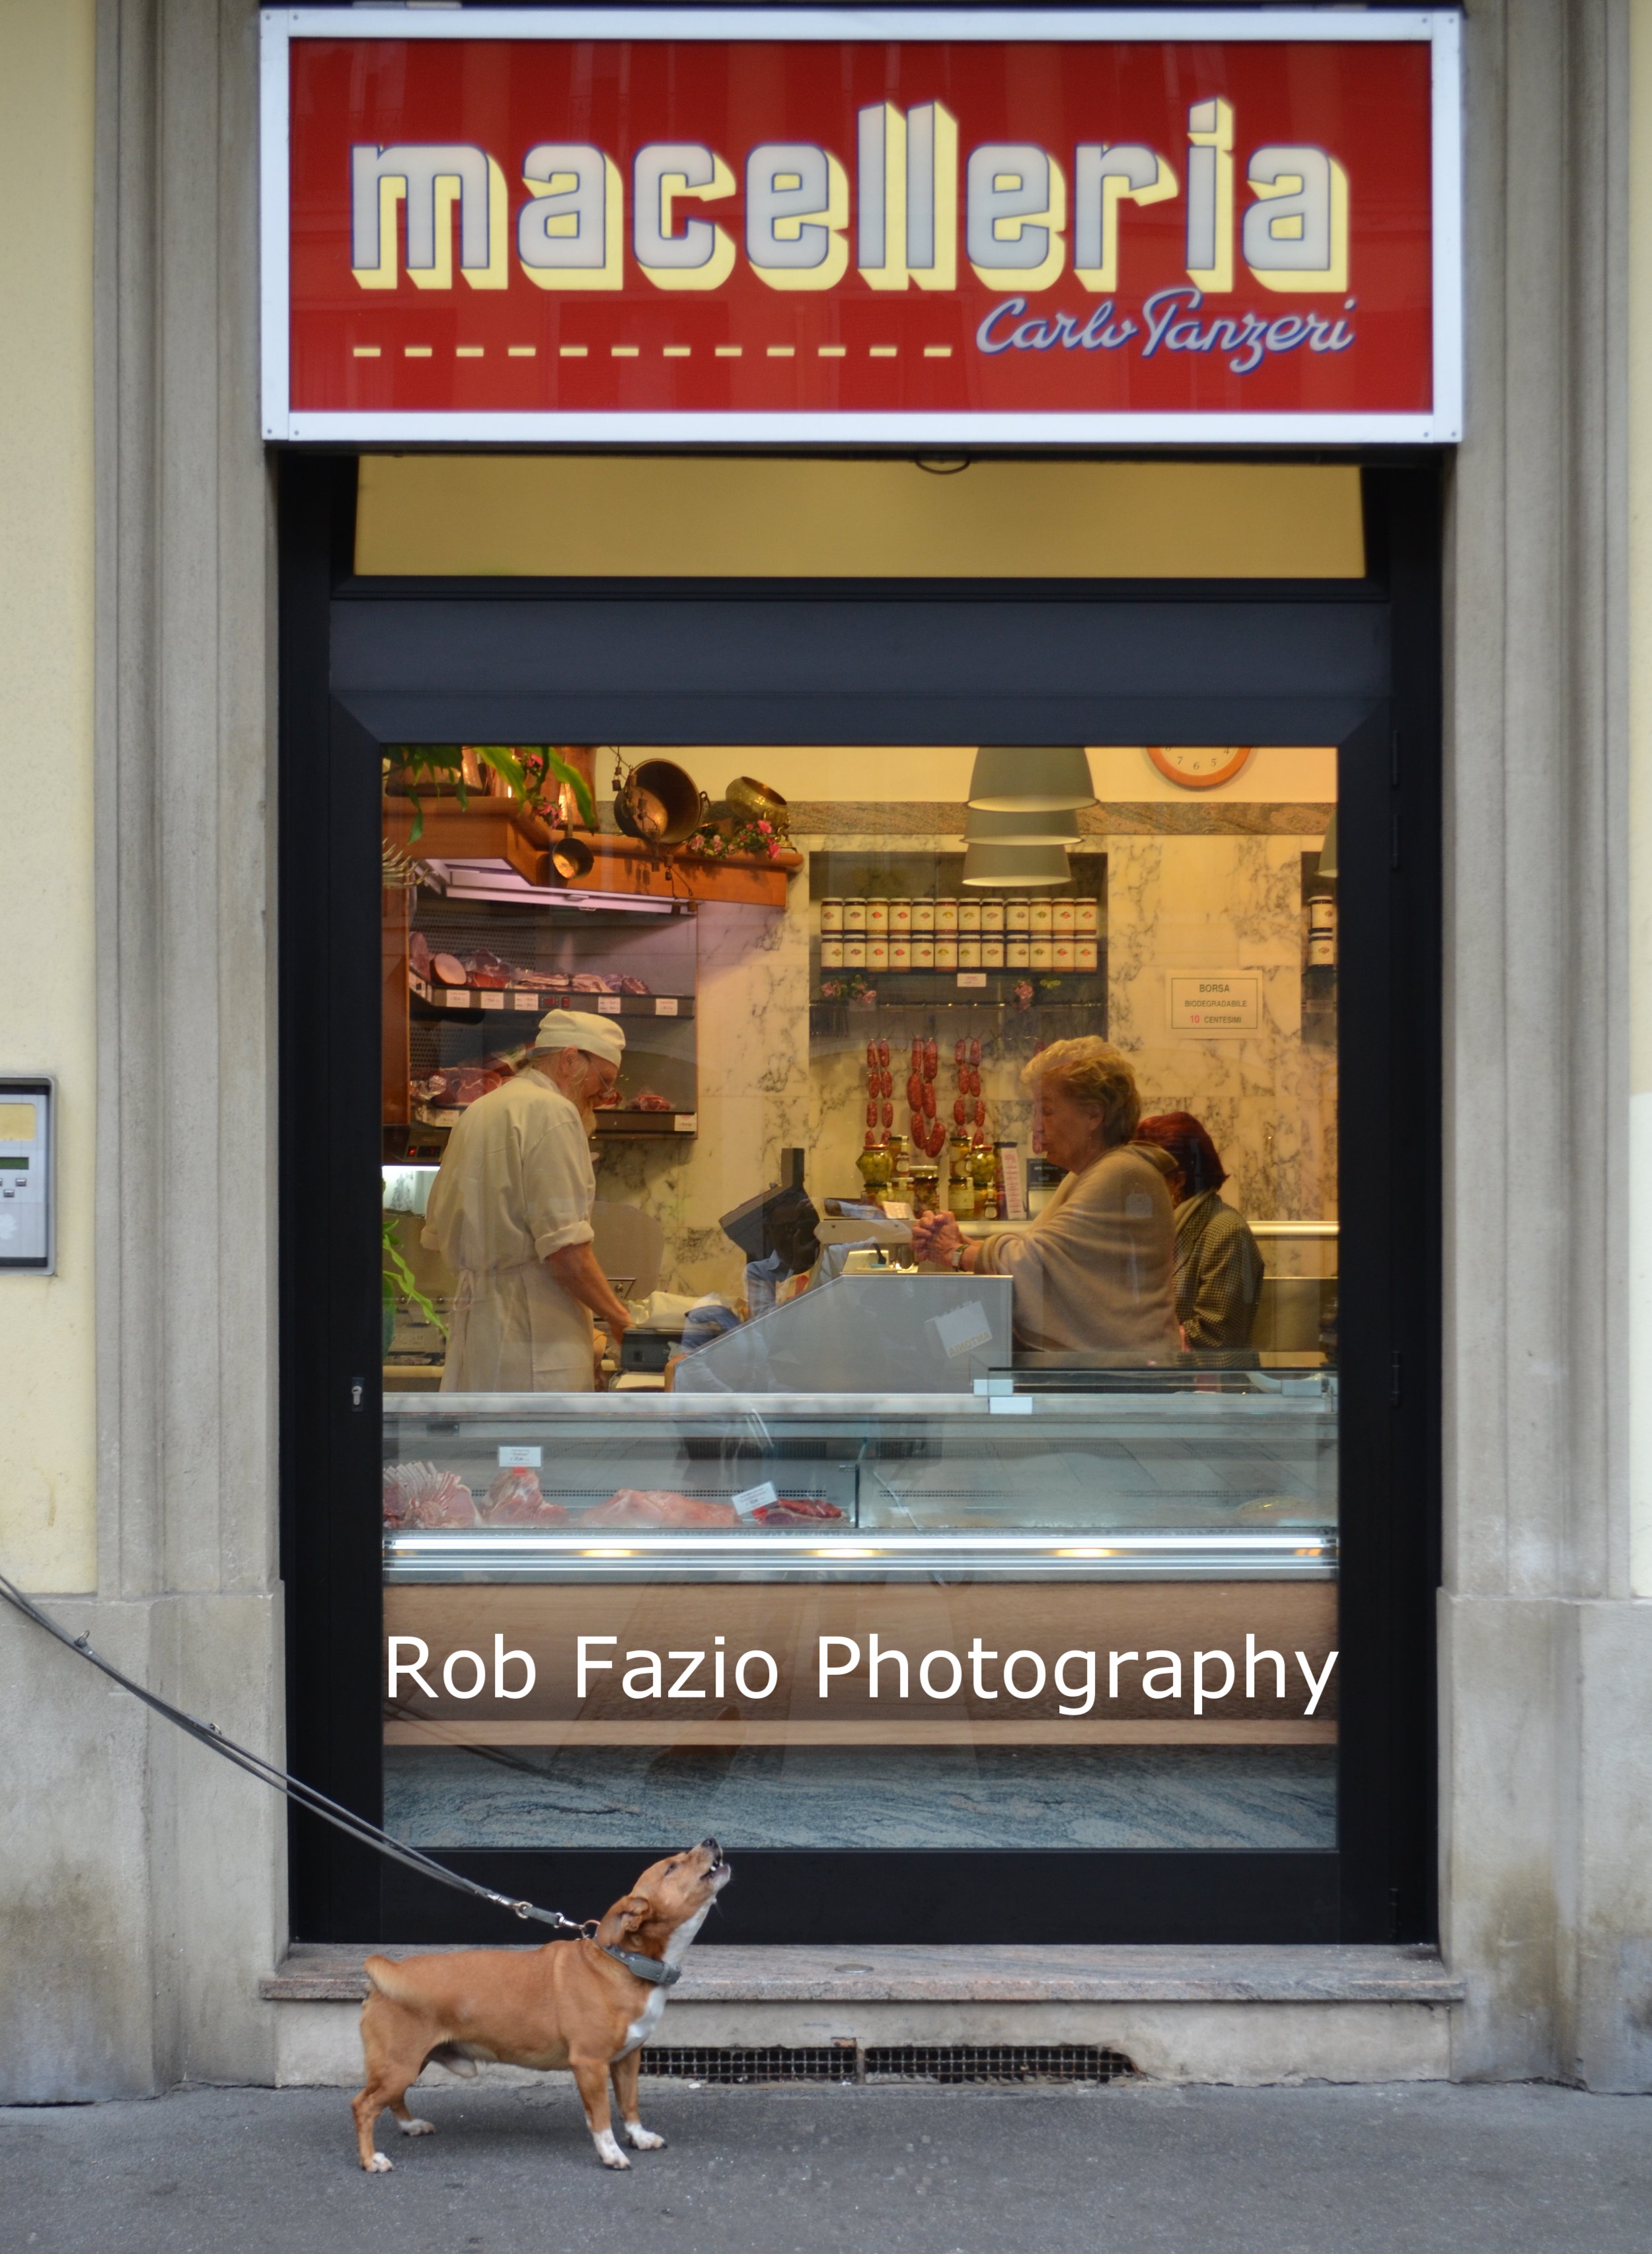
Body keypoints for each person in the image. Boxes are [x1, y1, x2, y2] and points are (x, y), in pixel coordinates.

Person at [911, 1038, 1178, 1358]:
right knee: (933, 1352)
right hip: (1105, 1369)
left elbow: (1033, 1262)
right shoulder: (1087, 1174)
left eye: (1047, 1111)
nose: (1035, 1126)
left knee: (929, 1353)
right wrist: (959, 1243)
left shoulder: (1121, 1173)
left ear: (1094, 1115)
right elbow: (1043, 1254)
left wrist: (955, 1252)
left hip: (1123, 1379)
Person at [422, 1011, 632, 1391]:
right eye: (604, 1080)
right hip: (535, 1333)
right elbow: (566, 1251)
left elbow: (438, 1230)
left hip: (479, 1331)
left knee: (487, 1447)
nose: (604, 1095)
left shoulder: (480, 1110)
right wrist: (620, 1320)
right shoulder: (553, 1112)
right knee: (535, 1449)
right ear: (570, 1060)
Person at [1133, 1110, 1265, 1352]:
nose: (1136, 1188)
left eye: (1144, 1177)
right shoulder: (1163, 1228)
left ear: (1177, 1182)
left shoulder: (1225, 1232)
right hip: (1175, 1381)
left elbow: (1217, 1334)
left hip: (1211, 1385)